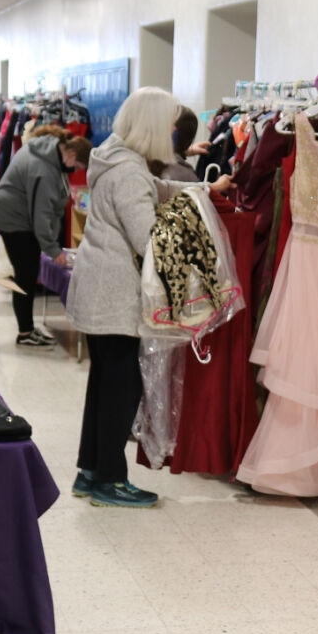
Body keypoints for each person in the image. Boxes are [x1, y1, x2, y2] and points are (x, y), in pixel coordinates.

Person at [68, 86, 230, 509]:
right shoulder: (127, 170)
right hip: (114, 293)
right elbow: (149, 237)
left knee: (104, 382)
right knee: (122, 387)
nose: (175, 132)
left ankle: (90, 470)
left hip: (100, 286)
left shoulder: (115, 154)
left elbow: (154, 188)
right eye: (171, 125)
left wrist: (202, 193)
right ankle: (110, 480)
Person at [0, 124, 92, 347]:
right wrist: (53, 250)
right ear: (71, 154)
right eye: (78, 166)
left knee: (28, 270)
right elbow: (41, 213)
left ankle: (27, 328)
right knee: (26, 274)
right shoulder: (42, 169)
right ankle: (25, 332)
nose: (76, 171)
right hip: (13, 219)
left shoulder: (51, 152)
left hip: (17, 214)